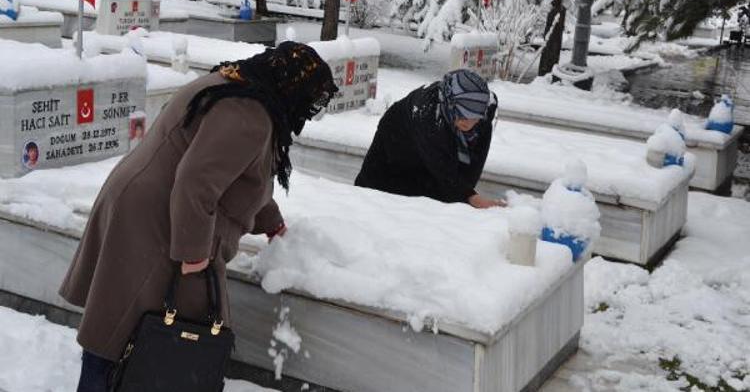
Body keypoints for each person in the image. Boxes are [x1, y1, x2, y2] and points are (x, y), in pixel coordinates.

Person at [58, 41, 338, 392]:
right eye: (309, 101)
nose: (308, 113)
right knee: (135, 334)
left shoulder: (235, 86)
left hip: (144, 206)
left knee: (122, 326)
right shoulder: (249, 115)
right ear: (291, 90)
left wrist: (272, 222)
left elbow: (243, 174)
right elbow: (196, 183)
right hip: (159, 223)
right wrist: (193, 255)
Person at [355, 69, 502, 209]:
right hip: (394, 151)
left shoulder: (484, 112)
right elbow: (442, 168)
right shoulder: (427, 114)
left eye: (473, 116)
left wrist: (468, 194)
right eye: (461, 114)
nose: (467, 122)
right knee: (374, 201)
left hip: (430, 159)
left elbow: (474, 162)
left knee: (444, 199)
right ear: (449, 104)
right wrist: (470, 196)